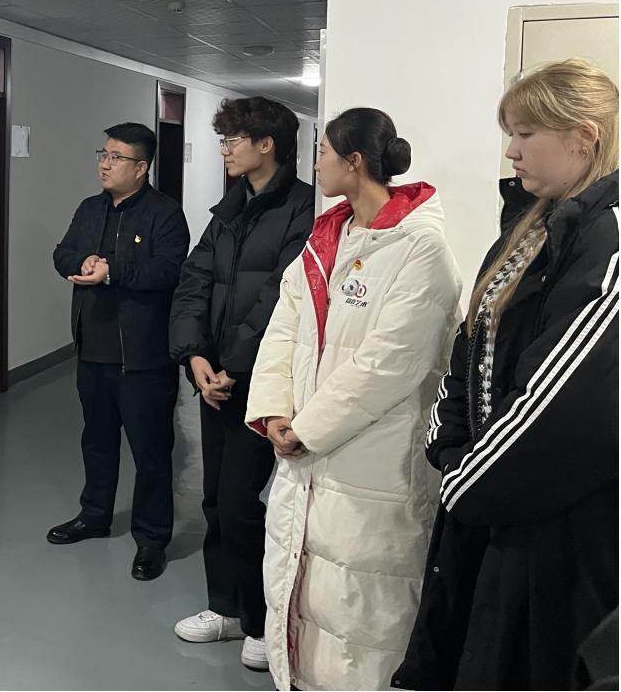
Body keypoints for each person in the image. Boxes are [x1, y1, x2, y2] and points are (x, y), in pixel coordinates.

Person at [396, 59, 619, 692]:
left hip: (559, 524)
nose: (512, 151)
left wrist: (467, 482)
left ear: (583, 136)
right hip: (492, 499)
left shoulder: (606, 238)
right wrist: (451, 445)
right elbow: (470, 343)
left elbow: (567, 404)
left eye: (525, 134)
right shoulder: (532, 224)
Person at [244, 108, 463, 691]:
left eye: (323, 152)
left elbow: (391, 363)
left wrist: (308, 428)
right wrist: (275, 411)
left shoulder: (420, 249)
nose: (314, 164)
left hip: (373, 459)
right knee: (303, 592)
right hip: (305, 449)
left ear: (355, 161)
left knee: (363, 611)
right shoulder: (325, 239)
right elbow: (284, 327)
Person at [168, 97, 314, 670]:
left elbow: (281, 296)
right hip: (216, 380)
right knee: (214, 499)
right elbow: (194, 279)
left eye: (233, 139)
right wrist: (195, 355)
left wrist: (234, 364)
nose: (224, 149)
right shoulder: (229, 209)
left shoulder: (302, 209)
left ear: (266, 144)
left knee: (241, 503)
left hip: (260, 381)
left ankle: (258, 621)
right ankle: (224, 607)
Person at [49, 122, 190, 581]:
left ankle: (151, 539)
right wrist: (81, 261)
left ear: (141, 167)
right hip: (92, 350)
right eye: (103, 155)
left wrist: (111, 272)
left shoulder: (165, 214)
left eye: (116, 157)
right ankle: (94, 515)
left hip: (143, 357)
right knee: (96, 440)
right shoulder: (90, 209)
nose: (105, 164)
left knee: (151, 451)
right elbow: (62, 253)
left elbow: (167, 271)